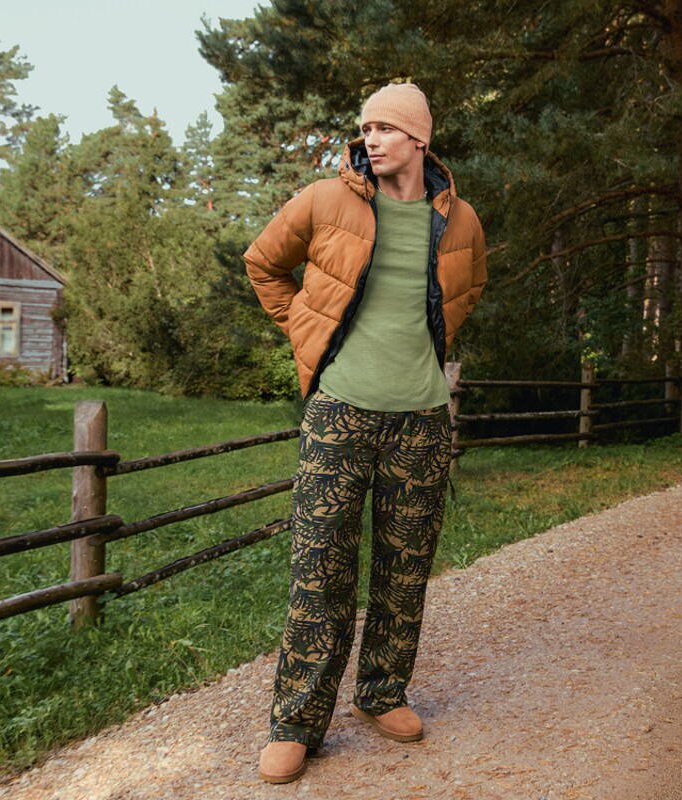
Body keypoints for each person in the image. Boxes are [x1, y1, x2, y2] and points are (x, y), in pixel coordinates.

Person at [244, 82, 487, 784]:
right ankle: (296, 723)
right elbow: (263, 262)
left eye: (385, 128)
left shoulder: (460, 219)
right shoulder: (327, 199)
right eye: (366, 128)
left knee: (405, 570)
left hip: (422, 420)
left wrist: (427, 354)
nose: (371, 139)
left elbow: (468, 289)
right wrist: (306, 330)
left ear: (419, 139)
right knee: (320, 569)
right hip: (339, 412)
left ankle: (382, 692)